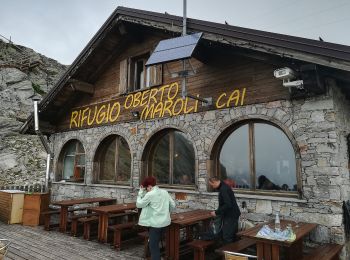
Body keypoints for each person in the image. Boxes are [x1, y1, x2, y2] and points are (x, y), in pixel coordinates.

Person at [136, 176, 176, 260]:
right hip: (165, 223)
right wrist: (168, 213)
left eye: (146, 188)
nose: (146, 190)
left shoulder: (150, 194)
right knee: (156, 242)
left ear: (149, 186)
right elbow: (173, 205)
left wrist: (140, 192)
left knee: (154, 247)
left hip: (155, 224)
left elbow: (139, 204)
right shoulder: (164, 192)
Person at [208, 176, 241, 244]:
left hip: (231, 215)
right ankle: (233, 253)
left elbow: (228, 204)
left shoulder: (223, 189)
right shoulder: (223, 187)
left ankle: (228, 253)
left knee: (227, 236)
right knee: (232, 235)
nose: (212, 186)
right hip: (233, 214)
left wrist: (216, 212)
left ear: (215, 182)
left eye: (212, 185)